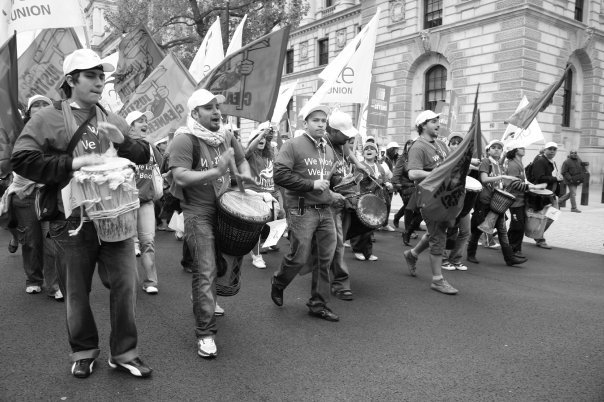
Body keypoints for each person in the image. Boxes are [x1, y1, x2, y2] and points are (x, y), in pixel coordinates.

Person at [11, 49, 152, 378]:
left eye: (102, 76)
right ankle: (84, 351)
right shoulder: (48, 117)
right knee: (76, 291)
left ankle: (125, 353)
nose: (100, 82)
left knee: (126, 287)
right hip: (70, 220)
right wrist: (72, 163)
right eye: (92, 75)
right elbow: (22, 159)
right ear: (70, 80)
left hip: (115, 219)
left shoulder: (110, 116)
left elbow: (144, 152)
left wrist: (125, 142)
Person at [169, 89, 254, 358]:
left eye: (217, 106)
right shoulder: (184, 139)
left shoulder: (227, 135)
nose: (217, 111)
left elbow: (241, 161)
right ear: (195, 113)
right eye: (209, 107)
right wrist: (216, 172)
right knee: (204, 270)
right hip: (198, 212)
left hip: (226, 209)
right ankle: (205, 333)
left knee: (220, 265)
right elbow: (180, 177)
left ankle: (205, 298)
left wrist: (244, 177)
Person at [271, 104, 344, 321]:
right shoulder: (293, 145)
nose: (321, 124)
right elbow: (280, 175)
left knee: (326, 259)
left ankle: (318, 304)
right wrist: (311, 185)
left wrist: (336, 190)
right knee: (300, 256)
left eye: (323, 121)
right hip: (301, 206)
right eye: (316, 120)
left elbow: (327, 182)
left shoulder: (329, 150)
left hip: (325, 210)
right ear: (305, 124)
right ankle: (279, 281)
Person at [4, 95, 63, 299]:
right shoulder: (20, 134)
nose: (40, 108)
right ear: (28, 112)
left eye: (44, 104)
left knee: (52, 242)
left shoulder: (58, 131)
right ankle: (33, 280)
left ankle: (55, 285)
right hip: (24, 194)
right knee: (31, 241)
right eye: (35, 105)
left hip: (48, 193)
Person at [402, 110, 458, 295]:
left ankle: (412, 254)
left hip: (444, 197)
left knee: (437, 231)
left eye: (438, 121)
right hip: (429, 199)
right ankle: (437, 280)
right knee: (438, 236)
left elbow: (450, 164)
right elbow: (413, 173)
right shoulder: (418, 147)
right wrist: (439, 174)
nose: (438, 124)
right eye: (433, 121)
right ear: (423, 125)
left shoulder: (441, 144)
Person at [466, 140, 527, 266]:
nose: (496, 149)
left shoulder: (500, 164)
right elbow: (484, 179)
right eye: (493, 147)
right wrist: (502, 178)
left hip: (497, 202)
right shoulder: (486, 162)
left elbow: (501, 183)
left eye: (499, 148)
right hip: (484, 201)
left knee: (502, 230)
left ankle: (509, 258)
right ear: (488, 150)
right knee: (478, 229)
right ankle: (470, 253)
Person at [324, 109, 362, 300]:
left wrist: (358, 164)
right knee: (338, 243)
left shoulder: (341, 142)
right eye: (344, 133)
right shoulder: (322, 147)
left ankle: (327, 272)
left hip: (344, 201)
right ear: (332, 131)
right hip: (327, 203)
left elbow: (347, 151)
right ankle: (340, 283)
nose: (348, 137)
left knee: (338, 242)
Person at [126, 110, 162, 294]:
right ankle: (129, 283)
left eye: (146, 120)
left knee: (148, 242)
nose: (144, 122)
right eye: (140, 120)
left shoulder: (150, 146)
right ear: (130, 126)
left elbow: (161, 166)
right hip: (127, 204)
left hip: (147, 203)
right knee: (127, 246)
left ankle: (150, 282)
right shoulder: (123, 147)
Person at [244, 122, 282, 269]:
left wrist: (281, 202)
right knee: (257, 228)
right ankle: (257, 255)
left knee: (275, 224)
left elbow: (276, 181)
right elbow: (249, 149)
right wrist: (261, 133)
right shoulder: (249, 155)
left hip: (271, 195)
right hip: (254, 195)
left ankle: (260, 246)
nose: (262, 140)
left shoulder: (270, 157)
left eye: (264, 138)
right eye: (258, 137)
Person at [505, 141, 547, 258]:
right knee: (518, 225)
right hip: (514, 200)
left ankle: (508, 246)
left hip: (520, 199)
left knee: (518, 224)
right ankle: (513, 249)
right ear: (514, 150)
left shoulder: (519, 163)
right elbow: (514, 184)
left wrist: (529, 185)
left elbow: (520, 182)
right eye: (520, 147)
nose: (524, 148)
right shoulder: (513, 165)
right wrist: (533, 187)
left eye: (524, 146)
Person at [350, 142, 392, 261]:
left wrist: (387, 184)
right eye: (366, 149)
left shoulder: (380, 167)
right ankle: (357, 249)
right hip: (362, 200)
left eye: (372, 149)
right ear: (363, 153)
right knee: (360, 226)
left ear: (376, 153)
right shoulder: (360, 166)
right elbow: (356, 183)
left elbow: (384, 181)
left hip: (376, 201)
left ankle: (368, 252)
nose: (369, 150)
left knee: (370, 228)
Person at [531, 142, 568, 249]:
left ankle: (538, 236)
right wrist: (556, 179)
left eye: (554, 149)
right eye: (550, 149)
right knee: (545, 216)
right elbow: (539, 178)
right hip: (542, 194)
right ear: (545, 150)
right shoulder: (540, 161)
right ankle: (539, 238)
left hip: (550, 194)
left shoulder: (551, 161)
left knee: (552, 215)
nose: (552, 151)